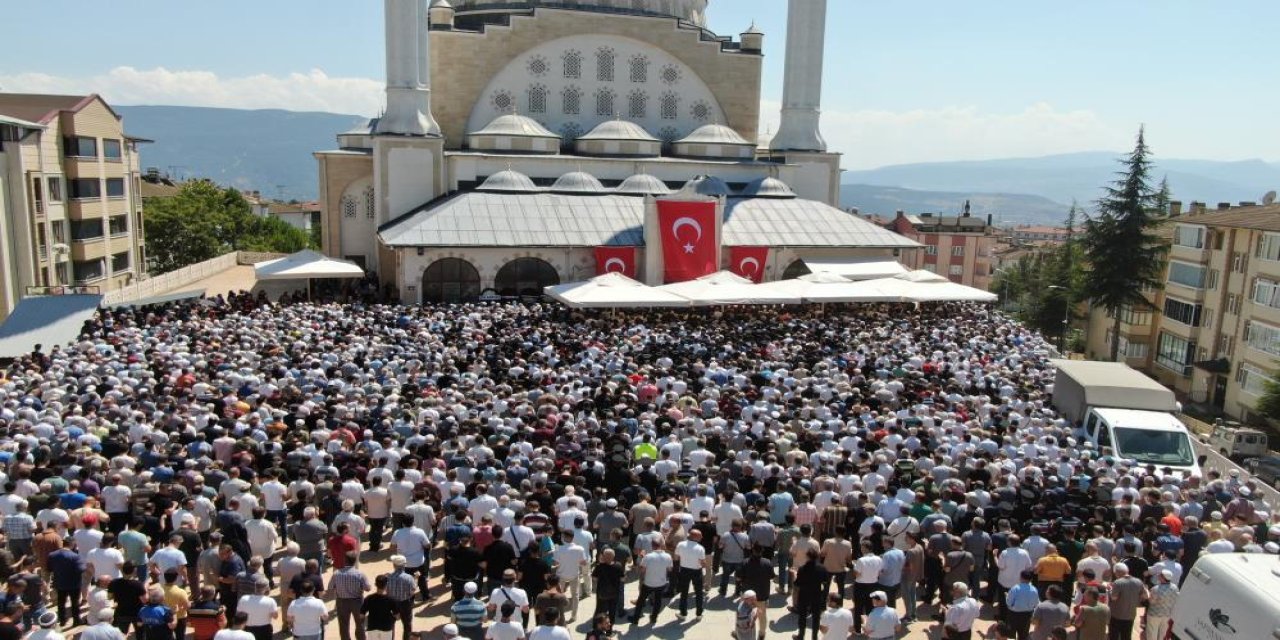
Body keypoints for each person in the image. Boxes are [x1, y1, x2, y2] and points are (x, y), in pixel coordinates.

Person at [630, 537, 672, 625]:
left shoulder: (647, 557)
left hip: (648, 583)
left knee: (641, 601)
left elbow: (641, 570)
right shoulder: (668, 556)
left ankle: (635, 619)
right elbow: (669, 569)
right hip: (661, 583)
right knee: (658, 601)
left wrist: (642, 557)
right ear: (661, 545)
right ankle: (653, 618)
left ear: (652, 546)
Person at [334, 551, 373, 640]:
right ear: (355, 561)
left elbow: (330, 587)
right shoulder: (360, 574)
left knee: (343, 624)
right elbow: (368, 588)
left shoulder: (336, 573)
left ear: (345, 561)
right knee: (360, 623)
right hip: (357, 601)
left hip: (341, 601)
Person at [792, 549, 826, 640]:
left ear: (807, 557)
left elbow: (797, 584)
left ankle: (801, 636)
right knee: (816, 617)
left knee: (802, 617)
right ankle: (814, 637)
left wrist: (795, 576)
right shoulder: (822, 568)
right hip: (817, 595)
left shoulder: (802, 568)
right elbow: (825, 581)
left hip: (804, 595)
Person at [1108, 563, 1148, 640]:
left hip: (1117, 615)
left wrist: (1110, 590)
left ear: (1117, 572)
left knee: (1114, 636)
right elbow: (1145, 596)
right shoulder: (1138, 581)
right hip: (1131, 615)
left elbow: (1113, 598)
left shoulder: (1118, 582)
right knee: (1126, 636)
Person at [674, 528, 708, 618]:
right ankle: (699, 614)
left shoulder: (680, 544)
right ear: (695, 537)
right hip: (696, 571)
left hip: (684, 570)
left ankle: (683, 613)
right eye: (700, 536)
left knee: (684, 593)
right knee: (699, 593)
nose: (701, 537)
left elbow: (676, 558)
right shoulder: (700, 548)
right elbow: (703, 563)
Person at [590, 549, 624, 624]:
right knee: (612, 612)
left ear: (603, 557)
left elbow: (594, 578)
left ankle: (596, 626)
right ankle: (609, 630)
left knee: (599, 610)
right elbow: (622, 579)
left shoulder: (599, 566)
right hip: (614, 593)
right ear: (614, 556)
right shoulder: (618, 565)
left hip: (601, 593)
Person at [1005, 570, 1040, 640]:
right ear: (1031, 579)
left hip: (1013, 614)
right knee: (1023, 635)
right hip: (1027, 615)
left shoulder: (1015, 588)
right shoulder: (1034, 590)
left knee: (1010, 634)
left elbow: (1008, 602)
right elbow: (1036, 603)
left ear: (1021, 578)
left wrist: (1006, 596)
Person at [1143, 570, 1178, 640]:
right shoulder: (1174, 587)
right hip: (1167, 614)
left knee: (1152, 633)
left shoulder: (1155, 589)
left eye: (1160, 575)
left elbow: (1151, 601)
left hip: (1154, 614)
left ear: (1163, 578)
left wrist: (1146, 591)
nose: (1158, 575)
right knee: (1162, 634)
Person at [362, 575, 399, 640]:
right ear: (386, 584)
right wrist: (392, 619)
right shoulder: (391, 599)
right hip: (386, 627)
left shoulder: (369, 598)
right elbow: (397, 616)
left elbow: (361, 615)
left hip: (372, 627)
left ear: (375, 584)